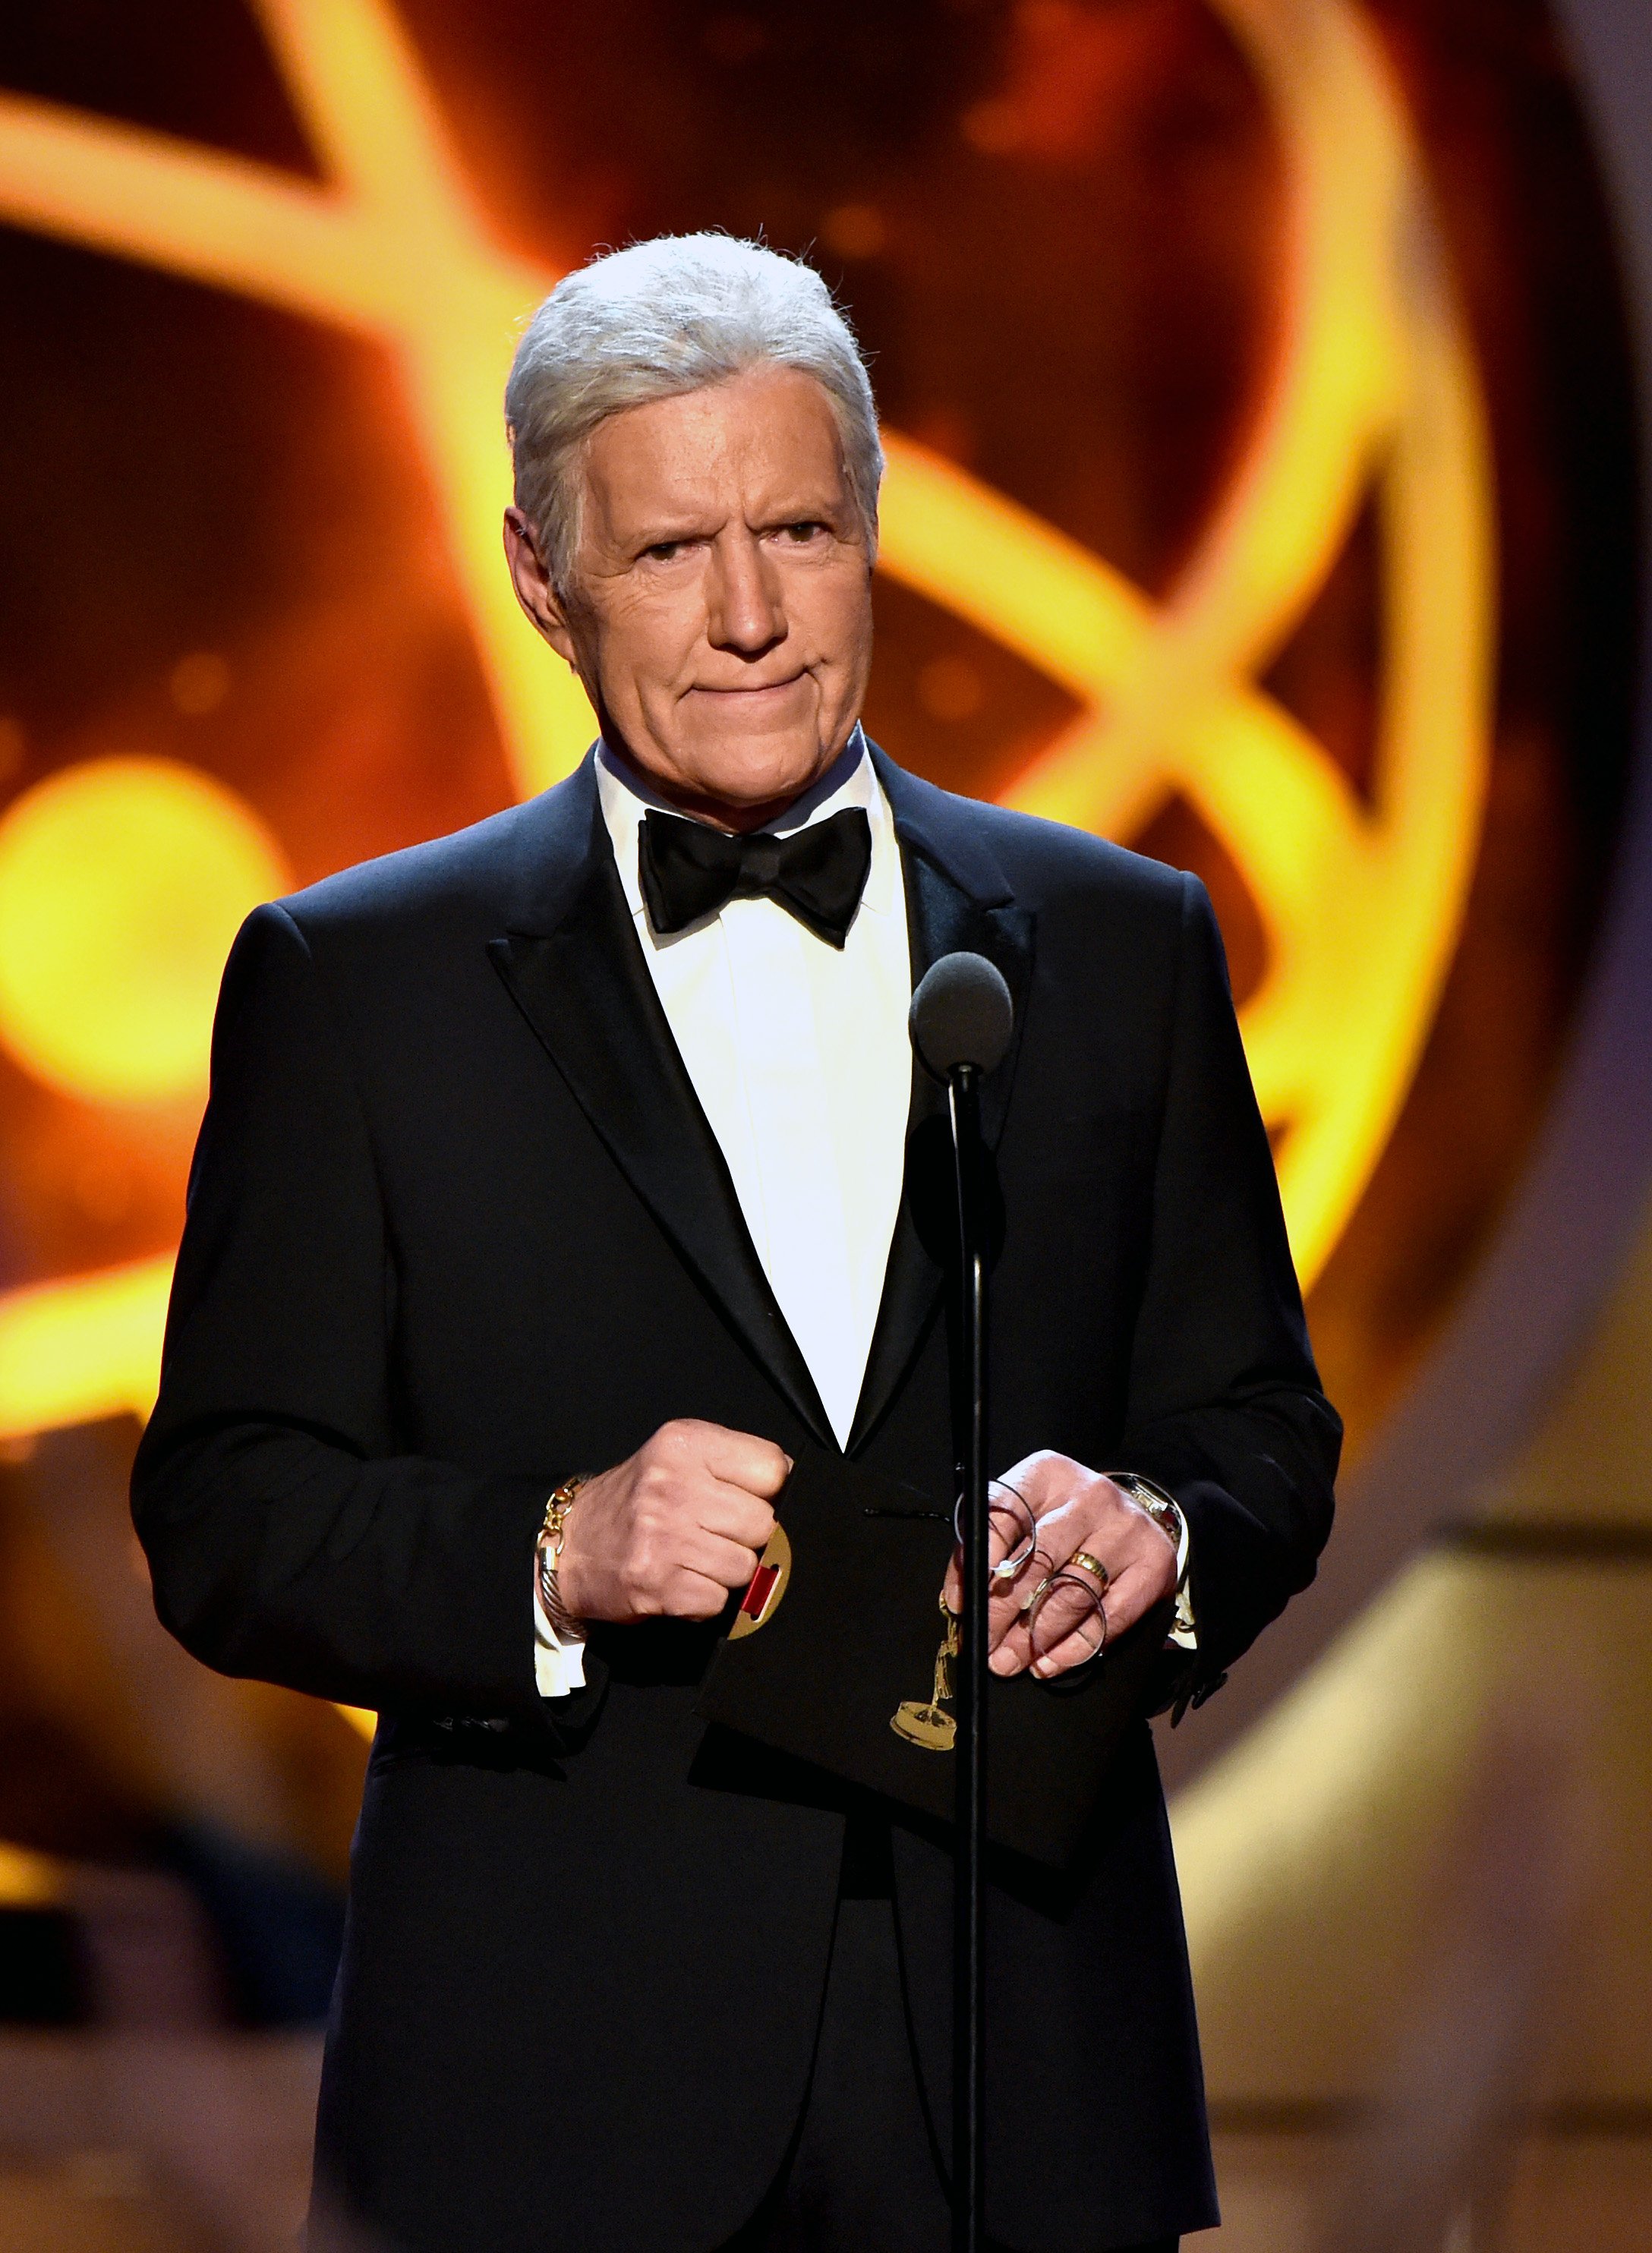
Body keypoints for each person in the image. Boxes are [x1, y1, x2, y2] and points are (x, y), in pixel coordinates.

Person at [133, 234, 1340, 2253]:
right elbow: (229, 1513)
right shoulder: (358, 986)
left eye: (801, 527)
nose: (757, 615)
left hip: (1021, 2078)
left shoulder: (1126, 945)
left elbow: (1259, 1432)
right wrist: (555, 1550)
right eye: (677, 549)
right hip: (554, 2103)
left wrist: (1170, 1537)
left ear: (877, 529)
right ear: (542, 576)